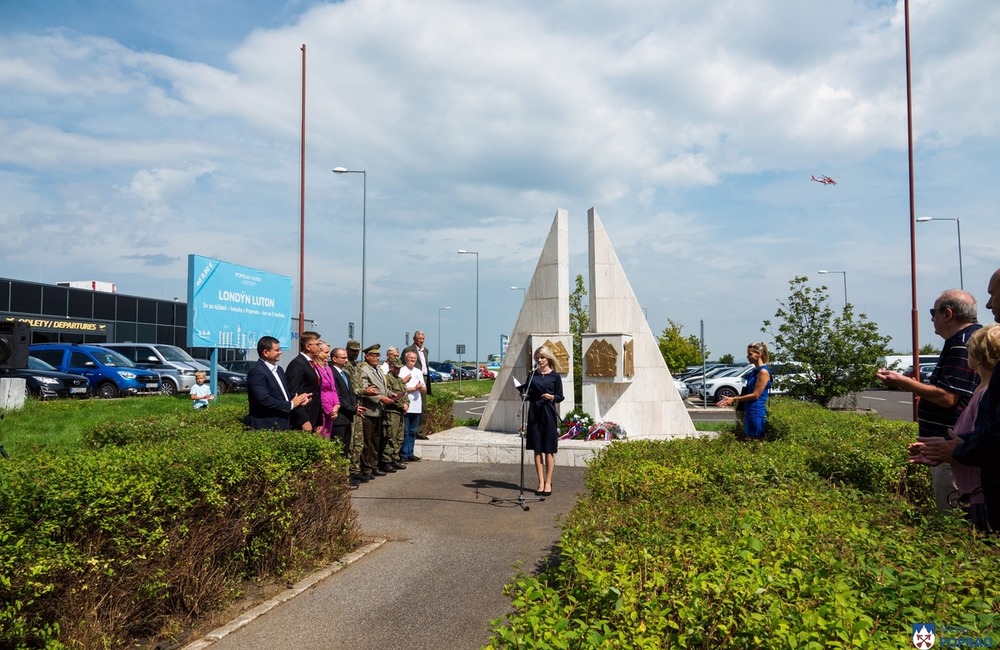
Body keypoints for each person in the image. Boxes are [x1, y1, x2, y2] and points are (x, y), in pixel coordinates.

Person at [877, 289, 982, 511]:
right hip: (952, 446)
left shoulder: (963, 343)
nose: (932, 319)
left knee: (952, 515)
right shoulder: (962, 340)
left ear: (948, 314)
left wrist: (903, 382)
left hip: (953, 447)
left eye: (933, 313)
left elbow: (947, 397)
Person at [921, 269, 1000, 530]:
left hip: (980, 488)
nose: (988, 304)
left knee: (965, 530)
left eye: (993, 294)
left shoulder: (962, 344)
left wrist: (954, 450)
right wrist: (946, 446)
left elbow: (949, 399)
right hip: (977, 482)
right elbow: (986, 433)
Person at [910, 325, 999, 531]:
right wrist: (941, 449)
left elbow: (986, 444)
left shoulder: (987, 394)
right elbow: (977, 437)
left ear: (978, 355)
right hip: (976, 492)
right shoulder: (982, 389)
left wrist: (952, 450)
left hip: (983, 495)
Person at [519, 345, 564, 496]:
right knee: (537, 449)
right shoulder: (532, 375)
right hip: (534, 412)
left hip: (548, 412)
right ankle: (540, 482)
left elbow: (560, 396)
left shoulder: (555, 376)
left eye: (542, 357)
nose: (539, 360)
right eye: (537, 358)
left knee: (549, 450)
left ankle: (548, 481)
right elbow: (528, 393)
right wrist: (523, 395)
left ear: (548, 358)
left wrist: (552, 397)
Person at [246, 335, 311, 430]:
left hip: (283, 423)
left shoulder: (279, 369)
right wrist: (291, 404)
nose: (280, 352)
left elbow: (285, 392)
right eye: (277, 350)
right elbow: (264, 399)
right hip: (266, 425)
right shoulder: (257, 372)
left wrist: (300, 399)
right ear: (266, 352)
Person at [717, 342, 772, 440]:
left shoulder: (763, 372)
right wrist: (731, 398)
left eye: (750, 354)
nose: (747, 357)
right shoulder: (755, 371)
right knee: (749, 439)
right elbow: (748, 392)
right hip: (749, 409)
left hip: (756, 410)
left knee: (756, 439)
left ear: (758, 354)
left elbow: (755, 395)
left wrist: (734, 399)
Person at [359, 343, 393, 477]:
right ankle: (366, 468)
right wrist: (380, 398)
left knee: (376, 440)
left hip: (379, 411)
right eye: (374, 355)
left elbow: (382, 388)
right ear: (367, 356)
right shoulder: (364, 369)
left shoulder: (377, 369)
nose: (377, 358)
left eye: (378, 355)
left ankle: (373, 465)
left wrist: (390, 394)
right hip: (369, 410)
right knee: (367, 441)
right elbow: (364, 390)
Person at [285, 330, 323, 433]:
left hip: (313, 417)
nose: (320, 347)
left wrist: (319, 419)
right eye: (317, 344)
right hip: (302, 420)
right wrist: (304, 420)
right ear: (308, 346)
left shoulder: (311, 363)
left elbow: (316, 392)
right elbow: (294, 394)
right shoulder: (297, 364)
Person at [403, 330, 432, 439]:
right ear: (414, 339)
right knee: (411, 406)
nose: (421, 341)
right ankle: (411, 431)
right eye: (419, 338)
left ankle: (420, 432)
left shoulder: (425, 350)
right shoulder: (408, 350)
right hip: (412, 378)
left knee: (423, 407)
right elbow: (403, 365)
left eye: (423, 339)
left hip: (423, 377)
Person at [400, 350, 426, 462]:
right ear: (406, 359)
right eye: (411, 358)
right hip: (406, 404)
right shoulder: (402, 370)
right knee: (405, 431)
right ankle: (404, 454)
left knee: (412, 431)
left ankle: (410, 453)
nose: (413, 360)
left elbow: (424, 389)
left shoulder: (418, 371)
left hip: (416, 406)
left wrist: (420, 387)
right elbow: (400, 388)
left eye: (414, 358)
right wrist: (413, 388)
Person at [315, 342, 340, 441]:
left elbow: (333, 388)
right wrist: (330, 410)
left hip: (331, 411)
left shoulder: (328, 368)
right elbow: (320, 391)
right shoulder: (315, 368)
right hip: (322, 411)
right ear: (318, 352)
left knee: (327, 438)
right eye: (326, 352)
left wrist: (336, 405)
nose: (329, 355)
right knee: (319, 438)